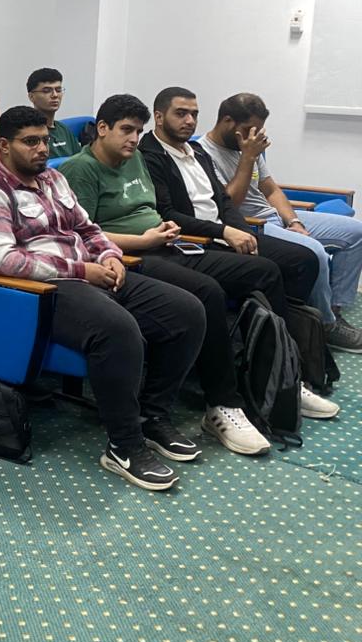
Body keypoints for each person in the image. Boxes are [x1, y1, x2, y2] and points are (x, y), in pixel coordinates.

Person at [0, 106, 207, 491]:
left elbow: (88, 229)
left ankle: (153, 417)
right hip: (42, 290)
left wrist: (110, 256)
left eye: (44, 140)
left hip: (92, 272)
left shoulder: (54, 178)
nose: (42, 149)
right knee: (118, 329)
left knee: (187, 312)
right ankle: (124, 445)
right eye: (30, 142)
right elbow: (2, 260)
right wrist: (81, 271)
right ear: (4, 145)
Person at [63, 95, 274, 455]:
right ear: (102, 129)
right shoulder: (80, 170)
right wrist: (144, 240)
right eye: (126, 130)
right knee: (206, 293)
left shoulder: (135, 158)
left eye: (138, 131)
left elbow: (152, 208)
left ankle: (272, 380)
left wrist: (165, 230)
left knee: (262, 270)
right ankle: (221, 402)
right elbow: (83, 234)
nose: (134, 139)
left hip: (166, 243)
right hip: (131, 255)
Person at [137, 88, 337, 415]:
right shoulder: (149, 156)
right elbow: (168, 213)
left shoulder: (195, 152)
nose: (189, 120)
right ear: (159, 117)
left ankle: (274, 356)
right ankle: (279, 378)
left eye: (194, 114)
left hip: (223, 233)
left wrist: (240, 232)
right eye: (180, 113)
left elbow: (224, 201)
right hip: (193, 240)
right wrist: (224, 232)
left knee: (302, 260)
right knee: (264, 271)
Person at [198, 92, 362, 352]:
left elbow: (272, 190)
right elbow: (228, 204)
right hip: (249, 224)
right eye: (249, 129)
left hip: (274, 216)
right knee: (314, 252)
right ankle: (326, 326)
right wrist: (248, 157)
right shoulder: (203, 154)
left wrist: (293, 221)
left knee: (356, 232)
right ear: (227, 121)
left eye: (259, 130)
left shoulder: (249, 146)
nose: (254, 135)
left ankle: (334, 309)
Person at [25, 68, 79, 158]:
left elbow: (78, 161)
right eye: (47, 91)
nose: (55, 95)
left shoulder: (63, 129)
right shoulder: (28, 131)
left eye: (58, 90)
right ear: (31, 96)